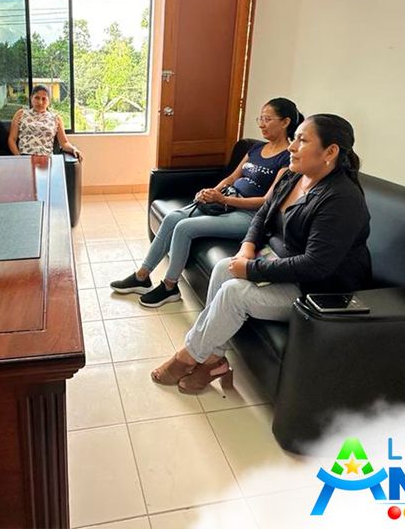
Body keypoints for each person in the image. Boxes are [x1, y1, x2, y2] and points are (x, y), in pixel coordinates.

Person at [151, 114, 371, 394]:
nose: (292, 146)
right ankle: (214, 359)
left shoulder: (341, 199)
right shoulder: (293, 176)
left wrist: (251, 270)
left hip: (319, 289)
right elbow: (262, 215)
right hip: (282, 263)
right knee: (224, 267)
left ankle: (187, 357)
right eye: (295, 138)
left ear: (330, 152)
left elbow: (316, 265)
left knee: (234, 292)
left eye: (302, 140)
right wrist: (247, 247)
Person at [112, 98, 303, 308]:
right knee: (173, 218)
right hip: (226, 202)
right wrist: (213, 192)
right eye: (260, 119)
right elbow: (232, 178)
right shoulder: (256, 148)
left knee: (184, 228)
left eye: (267, 119)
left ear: (285, 122)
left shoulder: (287, 158)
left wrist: (223, 199)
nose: (261, 124)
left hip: (248, 216)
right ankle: (142, 276)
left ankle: (169, 287)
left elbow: (266, 201)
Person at [8, 85, 81, 159]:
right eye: (37, 98)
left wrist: (73, 149)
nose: (40, 102)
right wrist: (19, 158)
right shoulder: (21, 114)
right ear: (31, 98)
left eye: (44, 99)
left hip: (46, 158)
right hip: (25, 157)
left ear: (49, 101)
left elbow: (64, 143)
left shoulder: (56, 118)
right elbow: (12, 139)